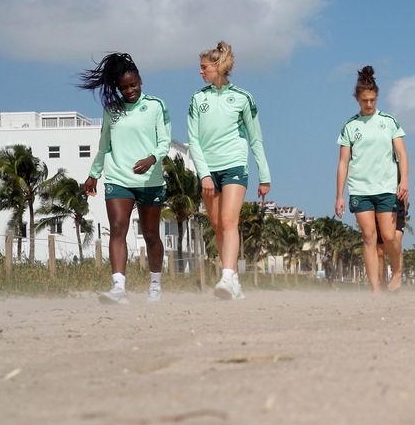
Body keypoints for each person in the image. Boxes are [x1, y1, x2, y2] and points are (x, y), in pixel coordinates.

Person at [79, 52, 170, 304]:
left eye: (133, 84)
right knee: (117, 229)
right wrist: (93, 174)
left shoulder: (156, 106)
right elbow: (104, 144)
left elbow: (164, 142)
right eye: (124, 87)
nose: (129, 90)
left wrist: (152, 158)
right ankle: (118, 287)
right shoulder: (112, 110)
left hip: (150, 180)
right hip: (118, 178)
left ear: (140, 80)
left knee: (151, 234)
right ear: (117, 88)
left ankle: (155, 285)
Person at [188, 41, 271, 300]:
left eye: (204, 68)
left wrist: (264, 176)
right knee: (218, 226)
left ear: (217, 67)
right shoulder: (197, 98)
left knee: (228, 221)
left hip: (235, 164)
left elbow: (255, 139)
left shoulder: (243, 98)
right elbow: (193, 141)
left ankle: (225, 277)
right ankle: (233, 278)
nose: (200, 72)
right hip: (208, 170)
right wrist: (203, 174)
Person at [334, 66, 407, 295]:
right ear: (357, 98)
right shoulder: (350, 126)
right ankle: (375, 289)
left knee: (388, 237)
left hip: (386, 187)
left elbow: (402, 155)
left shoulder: (389, 121)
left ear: (377, 97)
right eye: (365, 100)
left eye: (372, 100)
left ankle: (396, 271)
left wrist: (403, 181)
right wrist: (339, 196)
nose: (369, 104)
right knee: (368, 237)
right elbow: (343, 163)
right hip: (360, 188)